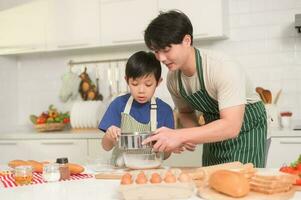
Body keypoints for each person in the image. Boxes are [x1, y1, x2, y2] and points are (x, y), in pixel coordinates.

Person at [142, 10, 267, 167]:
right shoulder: (174, 79)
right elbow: (186, 113)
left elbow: (231, 126)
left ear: (187, 40)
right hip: (214, 136)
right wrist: (187, 137)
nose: (161, 58)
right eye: (156, 51)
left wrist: (180, 135)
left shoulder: (222, 68)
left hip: (246, 132)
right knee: (211, 183)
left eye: (166, 49)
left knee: (241, 185)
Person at [99, 51, 175, 167]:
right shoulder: (118, 104)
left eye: (148, 84)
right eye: (135, 84)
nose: (141, 91)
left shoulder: (165, 110)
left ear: (158, 82)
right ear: (127, 80)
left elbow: (166, 155)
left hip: (151, 169)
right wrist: (109, 136)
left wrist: (166, 146)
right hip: (121, 171)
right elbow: (106, 146)